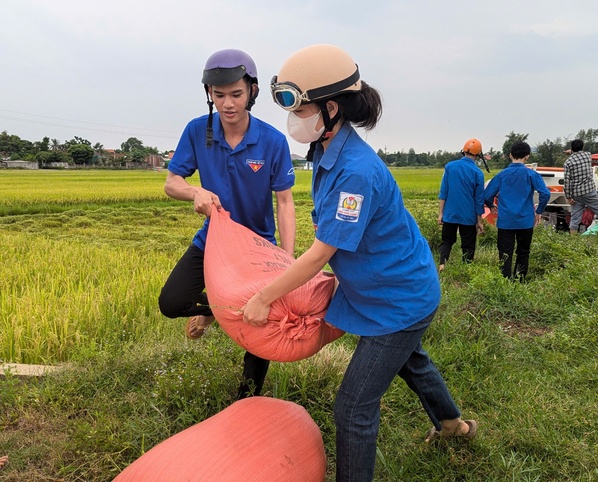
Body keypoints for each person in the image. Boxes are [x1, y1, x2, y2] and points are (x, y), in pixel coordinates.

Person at [242, 44, 476, 482]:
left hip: (400, 299)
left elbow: (319, 253)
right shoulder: (327, 152)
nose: (295, 118)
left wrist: (264, 296)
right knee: (412, 361)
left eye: (302, 106)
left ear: (331, 107)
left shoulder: (355, 171)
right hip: (385, 284)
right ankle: (453, 426)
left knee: (352, 409)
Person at [158, 48, 296, 399]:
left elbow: (284, 201)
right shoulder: (196, 131)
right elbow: (171, 182)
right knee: (172, 303)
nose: (227, 103)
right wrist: (194, 193)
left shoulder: (272, 141)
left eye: (236, 94)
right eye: (218, 95)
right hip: (213, 240)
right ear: (209, 95)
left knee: (261, 324)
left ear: (252, 91)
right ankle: (220, 310)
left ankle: (248, 396)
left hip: (257, 246)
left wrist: (286, 259)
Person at [484, 141, 550, 280]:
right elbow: (545, 194)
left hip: (505, 221)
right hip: (525, 220)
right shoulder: (531, 174)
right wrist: (538, 211)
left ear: (510, 155)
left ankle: (505, 280)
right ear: (527, 157)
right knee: (523, 252)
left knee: (505, 253)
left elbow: (487, 194)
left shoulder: (502, 175)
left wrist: (490, 205)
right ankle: (519, 279)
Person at [437, 138, 486, 272]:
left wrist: (441, 213)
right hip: (468, 216)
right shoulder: (478, 173)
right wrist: (479, 221)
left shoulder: (450, 167)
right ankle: (466, 268)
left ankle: (442, 264)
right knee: (468, 245)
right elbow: (479, 199)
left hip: (450, 214)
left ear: (464, 151)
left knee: (447, 240)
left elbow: (443, 192)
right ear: (478, 154)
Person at [563, 139, 598, 234]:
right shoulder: (587, 155)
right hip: (589, 192)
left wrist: (568, 196)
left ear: (572, 148)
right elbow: (580, 154)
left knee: (575, 219)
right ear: (583, 147)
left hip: (576, 195)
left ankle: (573, 241)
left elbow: (567, 181)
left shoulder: (568, 163)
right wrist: (572, 152)